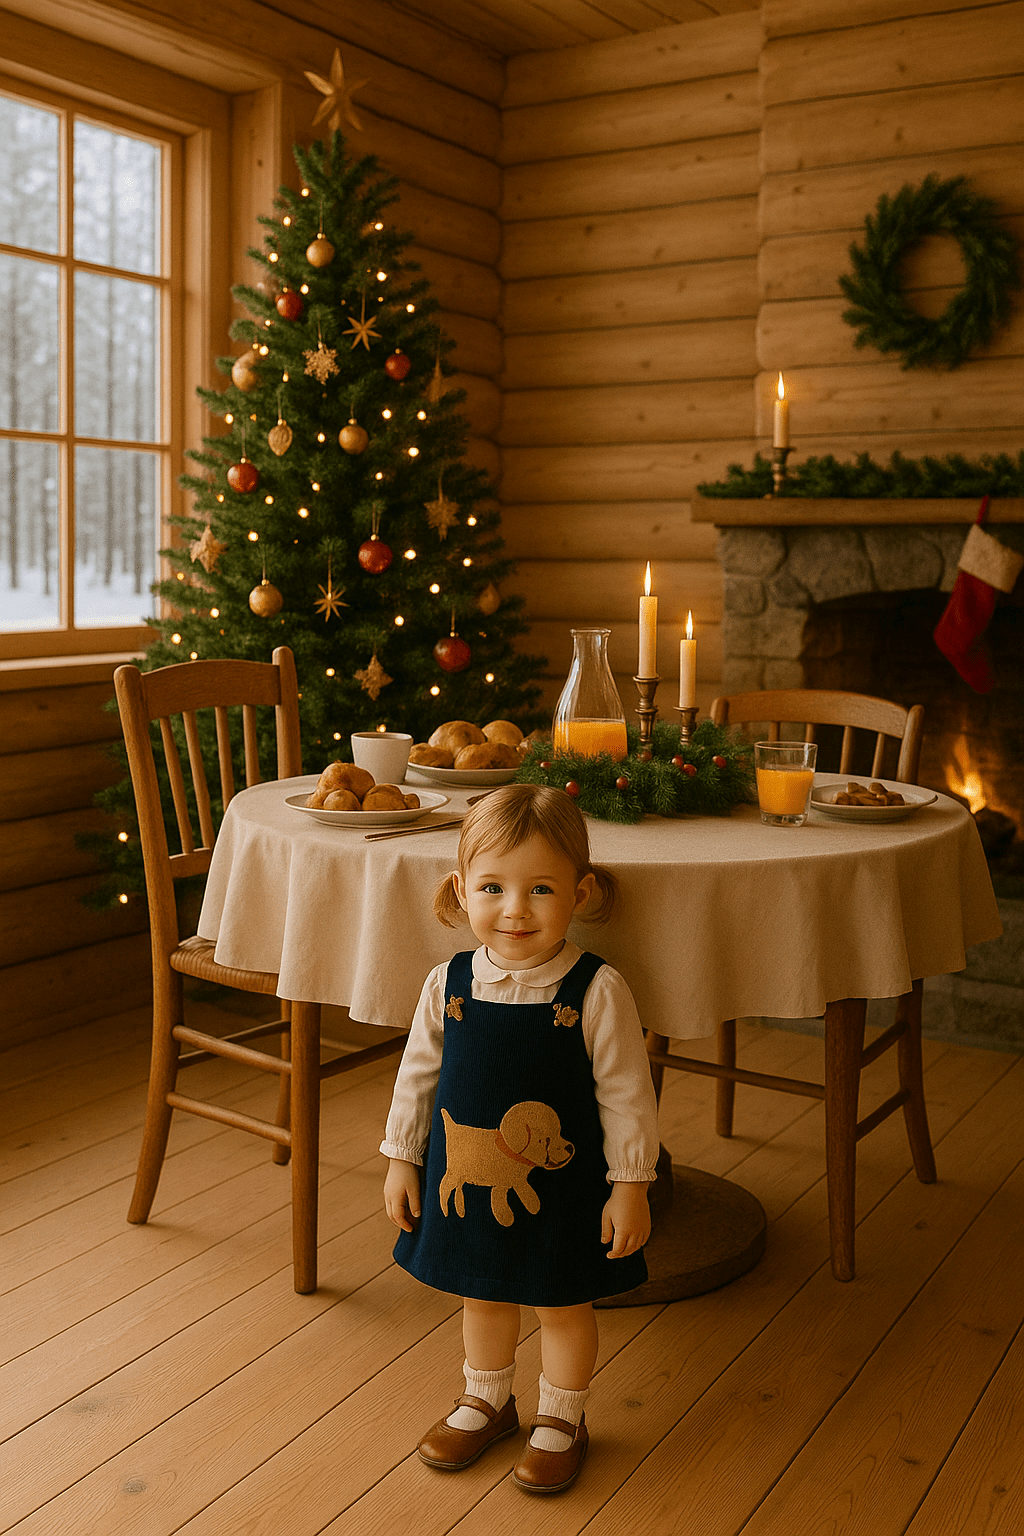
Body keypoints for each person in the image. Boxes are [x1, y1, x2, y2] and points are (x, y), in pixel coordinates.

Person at [381, 782, 659, 1494]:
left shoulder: (595, 991)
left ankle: (562, 1418)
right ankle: (488, 1400)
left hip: (563, 1188)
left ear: (580, 892)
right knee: (485, 1294)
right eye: (494, 887)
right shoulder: (449, 983)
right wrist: (402, 1160)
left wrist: (630, 1185)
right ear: (461, 890)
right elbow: (417, 1079)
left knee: (561, 1302)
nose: (515, 910)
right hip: (470, 1177)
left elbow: (628, 1095)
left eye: (540, 888)